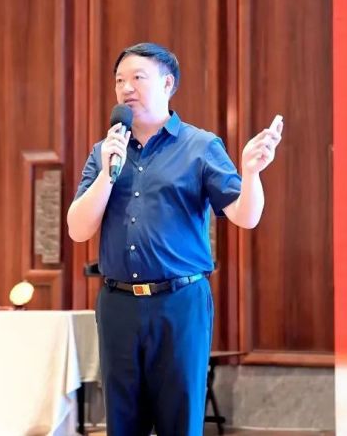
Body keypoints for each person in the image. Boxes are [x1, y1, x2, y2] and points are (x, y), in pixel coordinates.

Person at [67, 42, 282, 435]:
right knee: (122, 422)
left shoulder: (200, 146)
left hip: (180, 302)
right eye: (119, 80)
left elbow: (245, 216)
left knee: (179, 420)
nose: (126, 88)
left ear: (167, 84)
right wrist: (107, 174)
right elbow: (77, 229)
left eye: (137, 77)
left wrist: (251, 173)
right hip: (117, 305)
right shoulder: (103, 152)